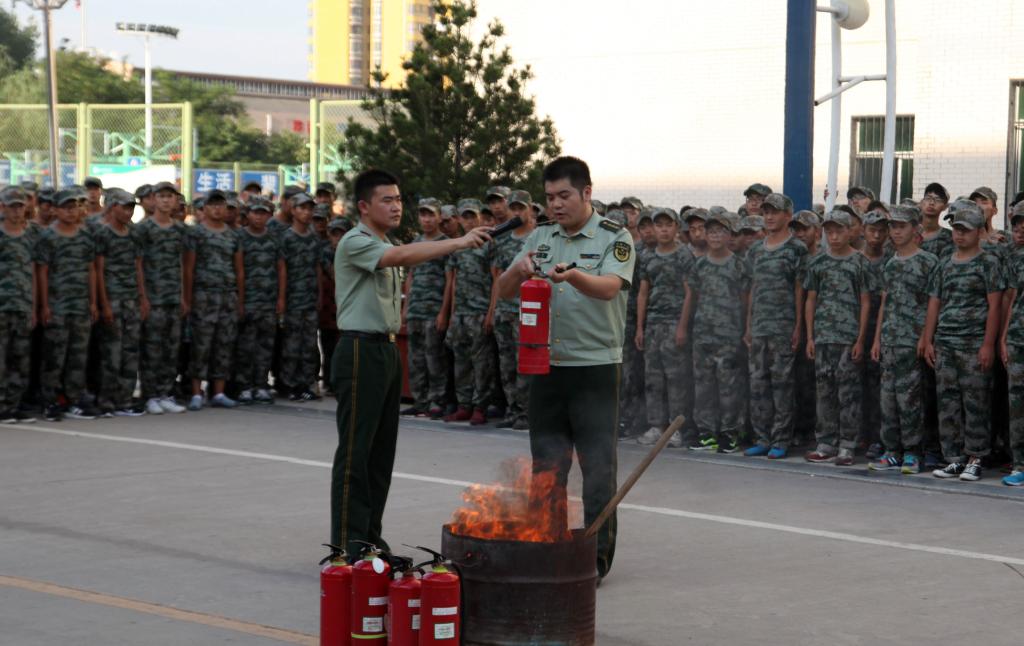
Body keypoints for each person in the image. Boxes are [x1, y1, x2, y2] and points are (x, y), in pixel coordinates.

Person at [330, 168, 491, 556]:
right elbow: (399, 256)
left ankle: (369, 537)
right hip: (359, 350)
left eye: (399, 199)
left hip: (384, 349)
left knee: (381, 454)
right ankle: (348, 542)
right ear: (364, 206)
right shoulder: (357, 242)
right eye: (387, 200)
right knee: (356, 452)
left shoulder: (383, 241)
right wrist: (457, 243)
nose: (396, 206)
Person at [496, 156, 635, 580]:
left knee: (597, 466)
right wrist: (517, 272)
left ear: (586, 193)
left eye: (565, 196)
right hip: (547, 365)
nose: (556, 205)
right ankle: (550, 543)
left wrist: (572, 275)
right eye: (550, 197)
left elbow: (610, 288)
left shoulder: (615, 236)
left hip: (594, 367)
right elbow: (502, 292)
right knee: (548, 464)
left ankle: (595, 556)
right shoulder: (540, 237)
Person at [921, 200, 1005, 482]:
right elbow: (935, 303)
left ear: (978, 231)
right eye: (956, 229)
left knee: (976, 402)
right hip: (946, 342)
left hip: (973, 343)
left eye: (965, 230)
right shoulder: (944, 264)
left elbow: (995, 306)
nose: (959, 235)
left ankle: (976, 457)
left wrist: (987, 345)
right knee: (948, 403)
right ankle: (954, 458)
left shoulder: (988, 263)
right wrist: (929, 339)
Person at [868, 204, 938, 474]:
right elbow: (885, 302)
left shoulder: (927, 262)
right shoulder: (890, 262)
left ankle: (913, 453)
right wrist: (877, 339)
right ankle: (892, 451)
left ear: (915, 229)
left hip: (913, 341)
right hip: (889, 341)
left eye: (901, 226)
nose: (895, 232)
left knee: (911, 401)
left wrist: (925, 337)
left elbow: (933, 304)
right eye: (892, 227)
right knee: (888, 400)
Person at [803, 210, 872, 465]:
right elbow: (811, 299)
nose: (833, 236)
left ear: (849, 232)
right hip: (823, 337)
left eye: (839, 231)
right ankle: (826, 442)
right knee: (824, 392)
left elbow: (866, 302)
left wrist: (860, 339)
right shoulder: (818, 262)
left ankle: (847, 444)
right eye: (829, 232)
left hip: (848, 337)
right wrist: (810, 337)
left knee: (849, 393)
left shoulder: (859, 262)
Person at [681, 211, 750, 454]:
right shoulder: (699, 264)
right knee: (703, 386)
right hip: (702, 335)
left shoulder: (739, 264)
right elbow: (691, 297)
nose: (715, 236)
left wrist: (746, 329)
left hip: (729, 336)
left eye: (720, 231)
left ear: (729, 235)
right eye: (711, 231)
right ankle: (707, 433)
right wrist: (682, 327)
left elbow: (745, 299)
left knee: (729, 387)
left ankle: (729, 433)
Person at [744, 193, 807, 459]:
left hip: (783, 327)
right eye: (766, 211)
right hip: (759, 327)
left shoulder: (796, 249)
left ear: (787, 216)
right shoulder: (756, 250)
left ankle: (781, 439)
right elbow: (753, 288)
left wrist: (798, 327)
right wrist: (748, 325)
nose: (769, 216)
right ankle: (762, 437)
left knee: (782, 385)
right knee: (758, 385)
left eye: (775, 212)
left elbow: (800, 290)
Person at [36, 189, 99, 421]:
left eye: (74, 207)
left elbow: (91, 269)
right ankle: (50, 400)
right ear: (55, 210)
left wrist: (93, 302)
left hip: (81, 306)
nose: (71, 211)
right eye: (65, 207)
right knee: (54, 356)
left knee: (78, 356)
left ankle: (73, 399)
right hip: (58, 305)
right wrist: (44, 305)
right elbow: (42, 272)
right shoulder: (48, 237)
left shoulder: (85, 236)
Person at [633, 208, 691, 448]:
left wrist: (682, 327)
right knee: (652, 378)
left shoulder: (684, 256)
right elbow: (643, 292)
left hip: (674, 322)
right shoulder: (647, 257)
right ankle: (656, 425)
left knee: (676, 378)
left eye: (668, 225)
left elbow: (690, 292)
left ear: (676, 228)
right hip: (653, 325)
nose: (664, 230)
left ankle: (676, 428)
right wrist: (640, 327)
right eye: (659, 225)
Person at [183, 189, 244, 411]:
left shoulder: (233, 235)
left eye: (222, 205)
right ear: (204, 209)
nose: (217, 209)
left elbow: (238, 270)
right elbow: (188, 268)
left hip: (227, 295)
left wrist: (240, 300)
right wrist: (187, 300)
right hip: (203, 295)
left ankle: (218, 392)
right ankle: (196, 392)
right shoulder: (196, 233)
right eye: (213, 205)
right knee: (201, 344)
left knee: (224, 344)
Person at [137, 182, 188, 415]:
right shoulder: (144, 229)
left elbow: (182, 264)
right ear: (153, 200)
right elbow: (138, 264)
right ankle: (150, 395)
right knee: (152, 349)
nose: (166, 201)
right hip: (153, 297)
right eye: (162, 196)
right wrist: (143, 297)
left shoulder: (179, 230)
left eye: (170, 196)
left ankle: (165, 392)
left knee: (171, 348)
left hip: (173, 297)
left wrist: (183, 296)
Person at [444, 198, 497, 424]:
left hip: (479, 311)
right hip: (461, 314)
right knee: (461, 361)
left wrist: (491, 311)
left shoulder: (489, 244)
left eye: (471, 216)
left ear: (479, 218)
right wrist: (452, 313)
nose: (468, 221)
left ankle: (480, 406)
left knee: (481, 362)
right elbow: (454, 281)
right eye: (464, 217)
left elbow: (497, 280)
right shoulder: (458, 246)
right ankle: (464, 404)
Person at [94, 189, 146, 417]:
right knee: (111, 353)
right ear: (112, 207)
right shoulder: (103, 234)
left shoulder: (133, 233)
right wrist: (103, 304)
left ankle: (124, 400)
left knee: (130, 352)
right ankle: (106, 401)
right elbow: (98, 270)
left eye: (131, 207)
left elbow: (138, 267)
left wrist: (143, 297)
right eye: (124, 207)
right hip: (112, 300)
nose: (128, 211)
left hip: (132, 300)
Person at [489, 190, 535, 430]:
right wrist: (493, 310)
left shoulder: (537, 238)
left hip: (526, 312)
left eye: (521, 208)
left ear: (530, 209)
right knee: (506, 363)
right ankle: (512, 409)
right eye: (514, 209)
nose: (517, 213)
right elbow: (497, 278)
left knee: (524, 362)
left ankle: (527, 412)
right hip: (503, 311)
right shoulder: (503, 240)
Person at [278, 192, 324, 401]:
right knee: (291, 344)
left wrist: (320, 293)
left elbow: (317, 267)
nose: (306, 212)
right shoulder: (286, 237)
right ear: (293, 210)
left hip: (309, 297)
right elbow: (282, 269)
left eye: (309, 208)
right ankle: (289, 384)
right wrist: (282, 298)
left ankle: (307, 383)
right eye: (302, 208)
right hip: (292, 299)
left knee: (309, 344)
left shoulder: (314, 238)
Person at [234, 197, 279, 405]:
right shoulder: (240, 237)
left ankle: (261, 384)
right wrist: (241, 301)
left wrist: (281, 298)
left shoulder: (273, 238)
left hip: (268, 301)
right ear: (247, 214)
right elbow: (240, 270)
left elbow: (281, 268)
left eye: (263, 213)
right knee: (246, 346)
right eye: (255, 212)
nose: (259, 217)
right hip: (250, 300)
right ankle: (244, 386)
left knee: (265, 346)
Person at [0, 187, 39, 423]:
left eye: (20, 206)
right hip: (2, 306)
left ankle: (12, 405)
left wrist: (34, 306)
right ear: (3, 208)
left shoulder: (30, 235)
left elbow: (33, 271)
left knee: (20, 358)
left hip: (23, 306)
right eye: (12, 206)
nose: (16, 211)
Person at [860, 210, 893, 458]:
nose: (877, 235)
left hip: (881, 332)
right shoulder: (854, 260)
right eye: (872, 229)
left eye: (882, 230)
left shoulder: (891, 260)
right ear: (863, 230)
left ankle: (877, 438)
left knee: (878, 388)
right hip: (855, 331)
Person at [1001, 201, 1024, 486]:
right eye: (1017, 223)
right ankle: (1020, 463)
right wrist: (1004, 339)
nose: (1021, 227)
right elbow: (1011, 299)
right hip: (1018, 338)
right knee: (1017, 404)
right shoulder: (1016, 259)